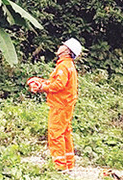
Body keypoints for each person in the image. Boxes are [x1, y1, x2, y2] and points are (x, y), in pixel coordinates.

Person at [27, 38, 82, 172]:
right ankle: (69, 164)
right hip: (66, 104)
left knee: (56, 134)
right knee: (65, 133)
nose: (60, 46)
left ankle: (60, 167)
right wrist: (42, 82)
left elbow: (58, 85)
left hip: (60, 105)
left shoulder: (63, 66)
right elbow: (57, 82)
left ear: (67, 51)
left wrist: (41, 87)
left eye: (64, 45)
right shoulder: (67, 65)